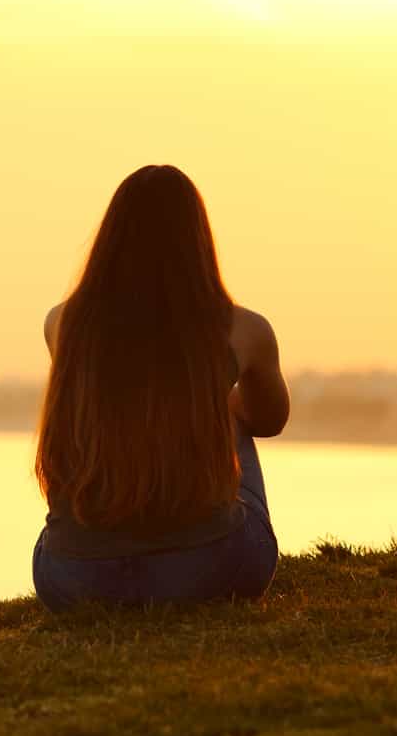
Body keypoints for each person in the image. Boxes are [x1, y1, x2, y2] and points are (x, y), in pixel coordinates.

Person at [31, 165, 290, 608]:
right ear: (198, 242)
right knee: (230, 411)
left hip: (73, 581)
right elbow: (268, 419)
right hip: (204, 573)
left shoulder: (63, 324)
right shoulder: (241, 330)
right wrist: (215, 398)